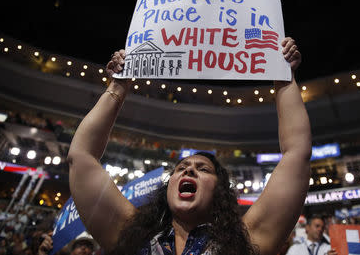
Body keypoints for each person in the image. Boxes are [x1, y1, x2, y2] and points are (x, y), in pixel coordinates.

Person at [67, 37, 311, 255]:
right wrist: (118, 85)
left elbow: (297, 154)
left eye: (203, 169)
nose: (188, 170)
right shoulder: (131, 236)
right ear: (168, 186)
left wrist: (284, 76)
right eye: (180, 168)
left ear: (220, 192)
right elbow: (81, 156)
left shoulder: (247, 241)